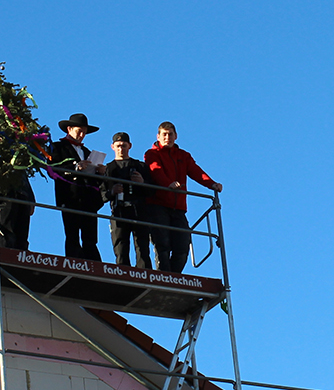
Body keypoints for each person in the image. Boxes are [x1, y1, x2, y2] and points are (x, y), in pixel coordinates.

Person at [143, 121, 222, 273]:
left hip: (178, 208)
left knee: (183, 245)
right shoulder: (152, 154)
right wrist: (168, 184)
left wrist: (212, 184)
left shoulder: (183, 156)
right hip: (158, 205)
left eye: (170, 134)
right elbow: (156, 171)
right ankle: (165, 277)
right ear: (158, 136)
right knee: (163, 244)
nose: (167, 137)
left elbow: (196, 171)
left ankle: (173, 276)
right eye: (164, 135)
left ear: (176, 136)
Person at [49, 113, 104, 260]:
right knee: (72, 234)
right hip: (70, 196)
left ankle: (93, 265)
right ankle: (74, 263)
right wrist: (75, 167)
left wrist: (99, 173)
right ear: (69, 129)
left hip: (88, 199)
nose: (81, 135)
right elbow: (53, 169)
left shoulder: (87, 152)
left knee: (90, 237)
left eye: (84, 133)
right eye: (79, 131)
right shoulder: (57, 147)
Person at [102, 132, 152, 268]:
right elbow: (101, 194)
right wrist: (112, 192)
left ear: (129, 146)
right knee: (120, 248)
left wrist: (141, 183)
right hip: (118, 211)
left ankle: (145, 274)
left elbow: (152, 191)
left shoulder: (140, 167)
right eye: (118, 146)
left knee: (143, 248)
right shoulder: (108, 169)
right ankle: (123, 274)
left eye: (123, 145)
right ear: (112, 146)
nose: (121, 149)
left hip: (139, 211)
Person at [0, 163, 35, 251]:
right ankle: (4, 254)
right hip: (6, 193)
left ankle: (21, 255)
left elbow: (23, 175)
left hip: (23, 194)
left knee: (22, 233)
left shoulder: (19, 157)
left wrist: (31, 198)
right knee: (7, 232)